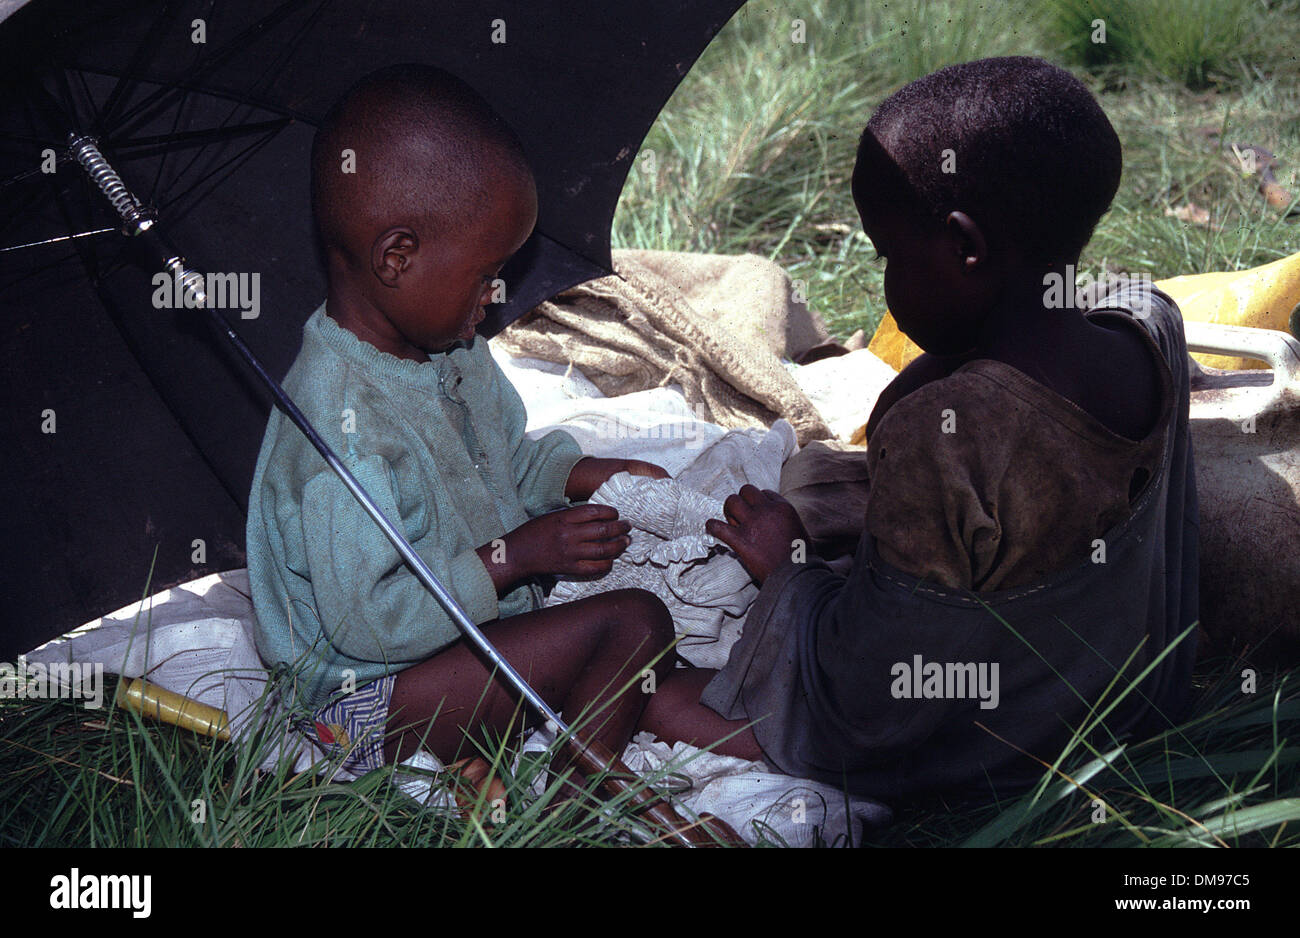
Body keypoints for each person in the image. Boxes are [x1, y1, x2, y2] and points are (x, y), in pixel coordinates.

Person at [640, 57, 1200, 802]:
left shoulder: (949, 440)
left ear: (966, 248)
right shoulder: (1150, 322)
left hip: (991, 757)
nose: (883, 278)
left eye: (887, 254)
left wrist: (787, 569)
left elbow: (871, 701)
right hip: (1124, 703)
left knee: (660, 698)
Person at [245, 64, 677, 783]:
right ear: (397, 257)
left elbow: (507, 460)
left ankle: (544, 754)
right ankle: (573, 802)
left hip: (468, 646)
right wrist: (518, 557)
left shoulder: (457, 351)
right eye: (487, 274)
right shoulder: (337, 429)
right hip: (356, 706)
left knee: (661, 675)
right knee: (630, 626)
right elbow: (370, 624)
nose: (496, 295)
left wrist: (579, 475)